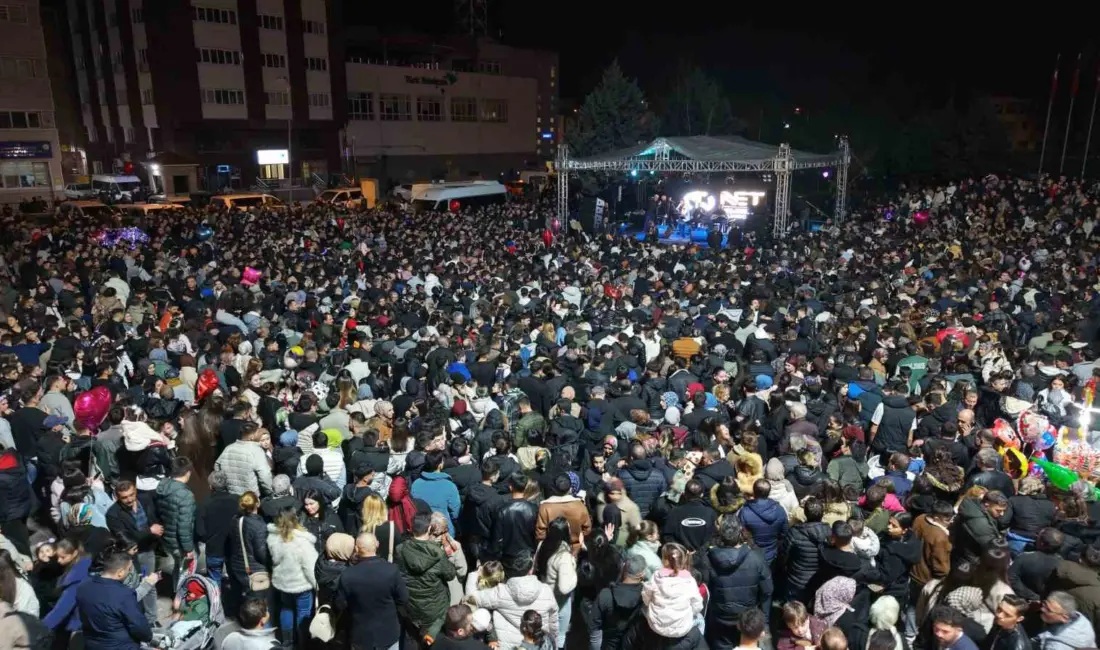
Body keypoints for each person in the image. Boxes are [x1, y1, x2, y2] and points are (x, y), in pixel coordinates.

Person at [705, 516, 771, 650]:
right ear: (741, 532)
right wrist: (764, 620)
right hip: (747, 619)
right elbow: (767, 591)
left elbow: (705, 588)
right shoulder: (756, 558)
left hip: (720, 618)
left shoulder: (708, 558)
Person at [468, 552, 558, 650]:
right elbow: (553, 623)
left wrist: (475, 574)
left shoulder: (500, 592)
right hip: (537, 645)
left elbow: (472, 597)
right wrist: (554, 643)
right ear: (530, 570)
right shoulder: (546, 590)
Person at [335, 532, 409, 650]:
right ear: (377, 544)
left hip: (361, 635)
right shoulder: (391, 570)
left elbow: (340, 604)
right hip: (388, 633)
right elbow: (403, 598)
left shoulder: (348, 574)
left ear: (356, 548)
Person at [74, 542, 154, 650]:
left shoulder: (83, 587)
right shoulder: (124, 594)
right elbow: (140, 627)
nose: (130, 571)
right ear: (120, 572)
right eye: (129, 569)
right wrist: (149, 637)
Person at [104, 480, 162, 626]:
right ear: (117, 497)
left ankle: (152, 619)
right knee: (133, 586)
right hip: (131, 555)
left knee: (150, 583)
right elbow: (125, 537)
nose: (130, 499)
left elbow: (154, 517)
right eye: (125, 497)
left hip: (147, 549)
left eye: (132, 495)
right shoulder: (113, 514)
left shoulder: (145, 499)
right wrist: (149, 531)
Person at [395, 512, 456, 642]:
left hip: (410, 606)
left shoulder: (400, 549)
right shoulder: (437, 553)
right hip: (435, 609)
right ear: (429, 529)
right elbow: (450, 575)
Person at [267, 506, 318, 646]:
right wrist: (317, 585)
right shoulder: (302, 541)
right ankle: (302, 644)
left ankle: (287, 642)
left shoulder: (273, 536)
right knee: (303, 613)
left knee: (286, 609)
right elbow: (310, 567)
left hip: (282, 583)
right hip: (301, 585)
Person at [534, 517, 577, 649]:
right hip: (560, 601)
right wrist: (575, 575)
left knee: (545, 631)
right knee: (560, 634)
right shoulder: (563, 556)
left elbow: (536, 566)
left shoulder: (542, 545)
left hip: (543, 596)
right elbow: (564, 588)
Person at [154, 457, 196, 582]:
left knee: (177, 567)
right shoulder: (186, 496)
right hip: (178, 542)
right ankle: (181, 596)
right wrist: (188, 548)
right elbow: (184, 526)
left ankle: (175, 590)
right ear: (188, 472)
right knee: (185, 571)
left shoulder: (162, 486)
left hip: (167, 537)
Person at [595, 555, 647, 650]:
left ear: (624, 569)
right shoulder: (645, 597)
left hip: (607, 642)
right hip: (630, 643)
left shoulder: (606, 594)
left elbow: (594, 626)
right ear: (642, 574)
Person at [737, 479, 788, 564]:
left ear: (754, 492)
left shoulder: (745, 512)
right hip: (773, 554)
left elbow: (741, 534)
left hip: (752, 555)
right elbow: (784, 532)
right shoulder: (780, 510)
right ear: (769, 492)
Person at [411, 450, 461, 537]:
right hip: (442, 531)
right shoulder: (449, 485)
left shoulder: (416, 483)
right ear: (440, 464)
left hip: (421, 529)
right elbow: (455, 512)